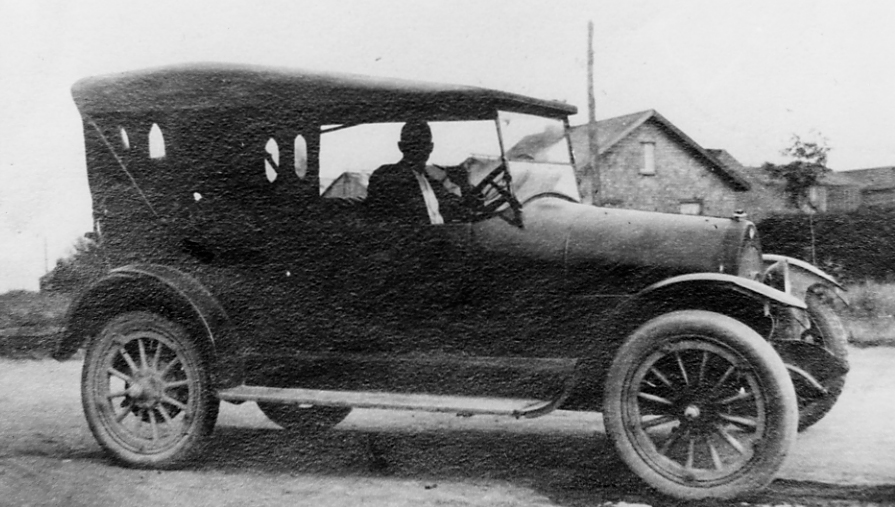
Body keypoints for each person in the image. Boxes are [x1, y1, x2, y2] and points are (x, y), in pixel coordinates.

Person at [366, 120, 468, 225]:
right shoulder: (388, 175)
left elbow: (464, 212)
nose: (419, 150)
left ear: (430, 147)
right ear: (401, 146)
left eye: (424, 144)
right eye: (413, 145)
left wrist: (464, 184)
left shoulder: (434, 183)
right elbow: (378, 217)